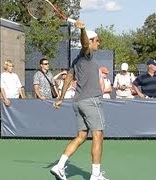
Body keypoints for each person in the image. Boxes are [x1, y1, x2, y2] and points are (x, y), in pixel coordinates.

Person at [51, 19, 109, 180]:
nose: (99, 42)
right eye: (96, 40)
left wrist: (60, 98)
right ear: (90, 42)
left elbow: (68, 79)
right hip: (90, 101)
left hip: (77, 102)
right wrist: (82, 30)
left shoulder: (76, 61)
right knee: (98, 135)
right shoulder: (87, 55)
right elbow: (84, 45)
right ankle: (96, 175)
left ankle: (59, 166)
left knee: (82, 136)